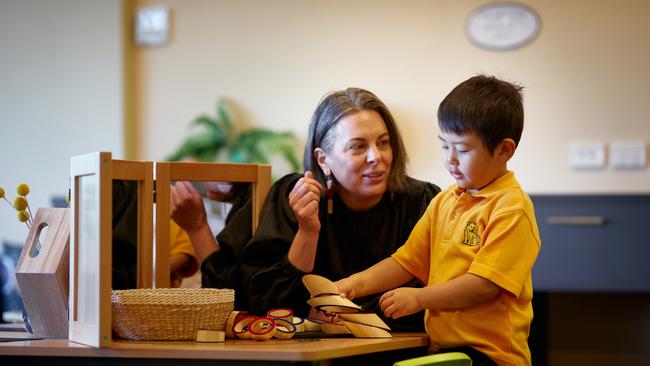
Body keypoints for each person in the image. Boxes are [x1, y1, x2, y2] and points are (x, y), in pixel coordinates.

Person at [335, 75, 541, 365]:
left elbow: (484, 285)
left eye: (464, 149)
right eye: (445, 146)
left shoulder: (511, 209)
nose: (451, 159)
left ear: (505, 150)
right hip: (443, 350)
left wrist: (420, 299)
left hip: (489, 356)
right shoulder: (443, 201)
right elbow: (405, 262)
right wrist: (354, 284)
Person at [232, 87, 441, 331]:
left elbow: (434, 295)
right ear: (323, 159)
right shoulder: (297, 196)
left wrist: (342, 313)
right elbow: (268, 304)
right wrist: (307, 231)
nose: (376, 156)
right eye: (358, 147)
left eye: (383, 143)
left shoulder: (422, 201)